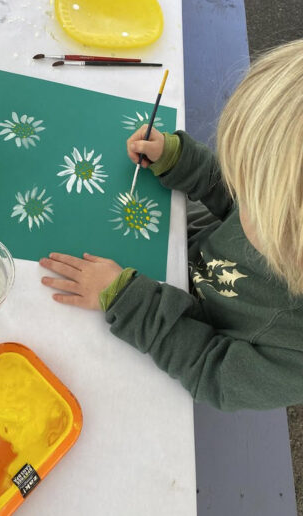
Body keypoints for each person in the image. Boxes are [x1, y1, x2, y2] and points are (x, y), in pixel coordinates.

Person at [39, 39, 303, 411]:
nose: (241, 192)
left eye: (254, 198)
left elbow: (212, 372)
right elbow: (230, 190)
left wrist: (130, 303)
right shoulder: (281, 207)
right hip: (177, 257)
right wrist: (180, 160)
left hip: (166, 334)